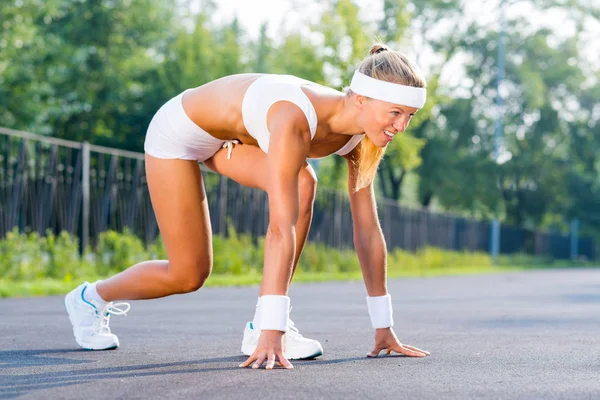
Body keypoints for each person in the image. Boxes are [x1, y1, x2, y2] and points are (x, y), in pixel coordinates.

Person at [65, 43, 431, 370]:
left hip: (234, 138)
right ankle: (89, 298)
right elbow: (280, 226)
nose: (400, 127)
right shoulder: (294, 116)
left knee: (305, 182)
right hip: (179, 133)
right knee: (188, 274)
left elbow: (367, 230)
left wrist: (383, 327)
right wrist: (271, 334)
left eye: (409, 117)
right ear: (361, 99)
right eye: (395, 113)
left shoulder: (363, 137)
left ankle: (263, 322)